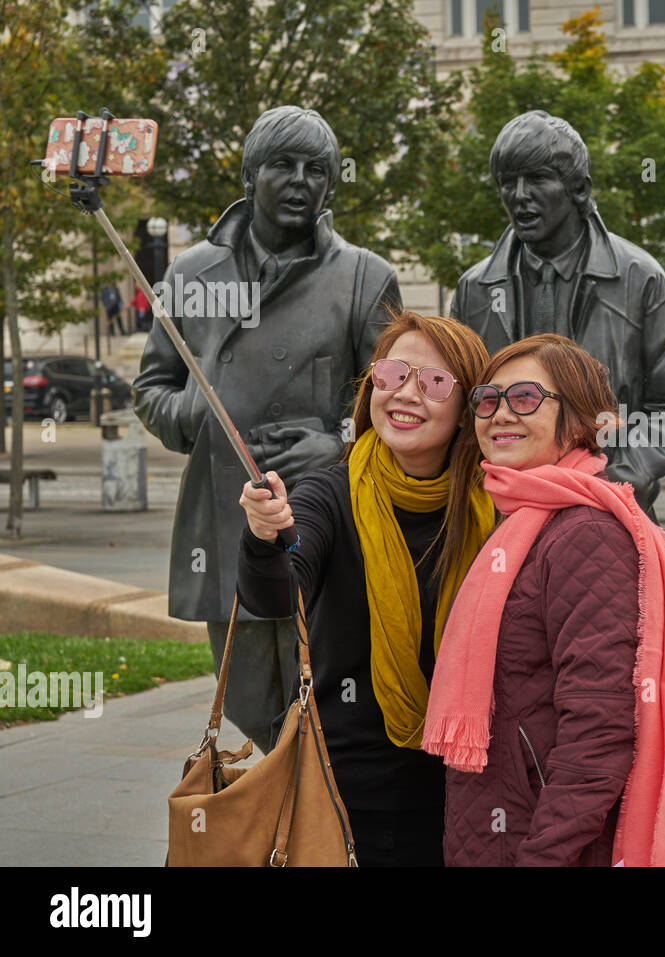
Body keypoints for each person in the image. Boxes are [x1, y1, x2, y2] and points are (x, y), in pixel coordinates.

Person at [134, 105, 401, 754]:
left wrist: (338, 440)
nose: (300, 181)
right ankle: (289, 820)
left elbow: (401, 401)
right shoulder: (192, 273)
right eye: (283, 165)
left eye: (317, 170)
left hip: (328, 522)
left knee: (330, 701)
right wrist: (202, 412)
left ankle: (318, 829)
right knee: (253, 703)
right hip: (226, 528)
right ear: (251, 173)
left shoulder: (365, 277)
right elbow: (151, 390)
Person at [235, 311, 495, 866]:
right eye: (392, 373)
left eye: (434, 382)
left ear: (467, 405)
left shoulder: (495, 504)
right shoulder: (329, 494)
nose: (406, 393)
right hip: (343, 790)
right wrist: (266, 536)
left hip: (468, 787)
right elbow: (278, 595)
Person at [423, 334, 665, 866]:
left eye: (525, 398)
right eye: (487, 399)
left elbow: (600, 729)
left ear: (577, 420)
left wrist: (542, 857)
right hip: (496, 827)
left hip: (540, 843)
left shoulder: (584, 534)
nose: (500, 414)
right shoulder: (519, 519)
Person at [451, 110, 665, 643]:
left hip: (605, 515)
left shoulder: (640, 280)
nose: (519, 196)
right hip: (500, 520)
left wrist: (618, 479)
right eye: (508, 182)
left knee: (603, 685)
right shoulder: (474, 289)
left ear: (580, 189)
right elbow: (460, 405)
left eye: (537, 180)